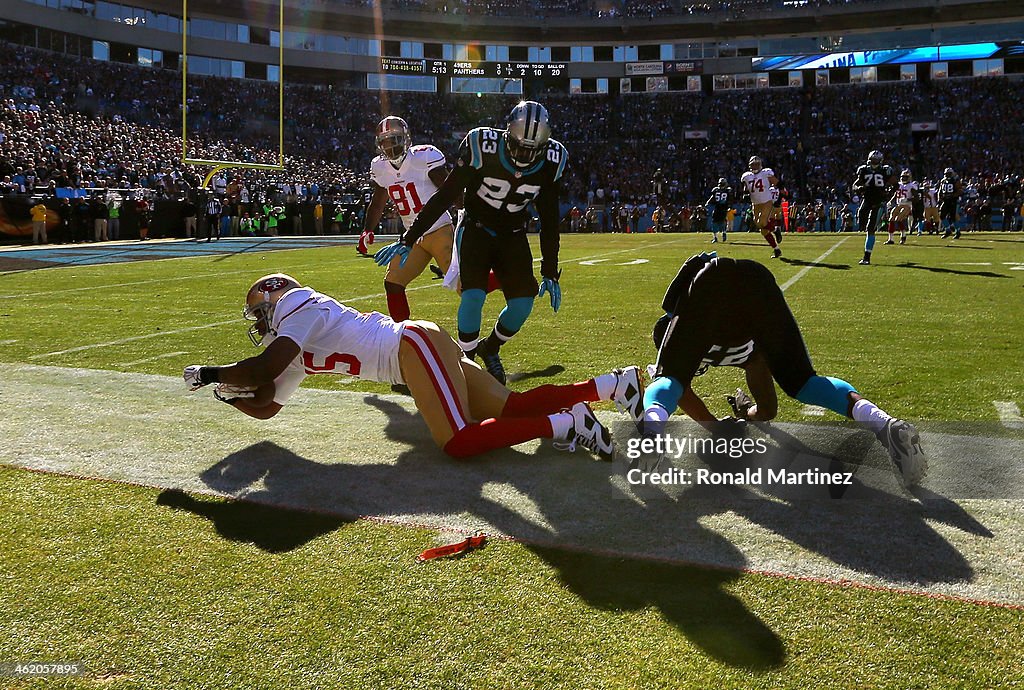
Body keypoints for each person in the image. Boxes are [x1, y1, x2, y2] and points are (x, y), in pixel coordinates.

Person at [183, 274, 646, 460]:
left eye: (258, 309)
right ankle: (609, 386)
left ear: (274, 293)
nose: (260, 320)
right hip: (416, 351)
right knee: (510, 407)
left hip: (409, 345)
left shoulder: (298, 304)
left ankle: (564, 424)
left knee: (458, 441)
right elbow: (265, 402)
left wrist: (212, 372)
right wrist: (227, 393)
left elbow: (263, 368)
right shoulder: (295, 342)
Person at [640, 253, 926, 487]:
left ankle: (651, 435)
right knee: (804, 383)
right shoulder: (746, 349)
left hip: (708, 284)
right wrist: (749, 414)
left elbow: (677, 388)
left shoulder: (680, 332)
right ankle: (885, 425)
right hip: (758, 280)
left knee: (670, 379)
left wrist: (717, 427)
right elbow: (766, 402)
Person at [374, 101, 567, 386]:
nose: (524, 155)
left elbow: (550, 219)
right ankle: (466, 364)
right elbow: (444, 195)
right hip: (476, 227)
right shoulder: (482, 145)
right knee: (472, 295)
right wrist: (409, 237)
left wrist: (550, 269)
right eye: (519, 147)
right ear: (507, 134)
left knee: (522, 305)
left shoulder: (553, 159)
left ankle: (490, 348)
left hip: (513, 234)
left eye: (531, 150)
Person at [360, 116, 456, 322]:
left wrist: (469, 212)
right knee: (393, 282)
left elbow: (450, 191)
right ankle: (402, 332)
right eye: (385, 141)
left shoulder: (424, 157)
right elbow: (378, 201)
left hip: (439, 229)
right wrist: (368, 229)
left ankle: (508, 282)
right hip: (411, 237)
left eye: (394, 139)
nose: (390, 146)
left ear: (406, 139)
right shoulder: (379, 167)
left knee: (463, 285)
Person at [852, 150, 897, 265]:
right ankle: (865, 233)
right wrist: (858, 189)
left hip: (879, 202)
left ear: (880, 160)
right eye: (873, 159)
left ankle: (867, 257)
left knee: (870, 229)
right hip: (867, 199)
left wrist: (888, 192)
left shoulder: (885, 170)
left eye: (876, 160)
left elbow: (895, 185)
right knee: (861, 216)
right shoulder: (863, 170)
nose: (874, 162)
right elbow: (855, 185)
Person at [740, 156, 781, 258]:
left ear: (760, 165)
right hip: (755, 203)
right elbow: (746, 188)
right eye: (752, 164)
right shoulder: (746, 176)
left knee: (763, 222)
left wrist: (781, 196)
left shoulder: (766, 173)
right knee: (761, 228)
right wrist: (745, 193)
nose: (754, 166)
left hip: (766, 201)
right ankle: (776, 248)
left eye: (756, 164)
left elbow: (777, 183)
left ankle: (776, 230)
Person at [885, 169, 918, 245]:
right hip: (899, 204)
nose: (903, 178)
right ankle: (891, 239)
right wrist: (890, 201)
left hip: (907, 205)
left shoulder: (911, 186)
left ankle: (903, 235)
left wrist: (907, 199)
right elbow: (896, 194)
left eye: (905, 177)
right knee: (891, 218)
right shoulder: (899, 184)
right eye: (902, 177)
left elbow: (916, 198)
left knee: (898, 219)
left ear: (909, 177)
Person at [705, 178, 732, 244]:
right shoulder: (727, 190)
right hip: (724, 208)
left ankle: (715, 237)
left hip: (717, 207)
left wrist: (708, 202)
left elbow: (712, 197)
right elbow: (730, 199)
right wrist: (729, 206)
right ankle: (724, 232)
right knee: (723, 221)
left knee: (714, 222)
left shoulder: (716, 190)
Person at [938, 168, 962, 239]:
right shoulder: (943, 181)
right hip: (945, 201)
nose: (947, 175)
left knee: (953, 217)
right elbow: (940, 190)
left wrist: (952, 196)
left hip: (952, 201)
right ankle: (948, 230)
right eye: (946, 174)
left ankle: (958, 231)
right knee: (941, 215)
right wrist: (939, 196)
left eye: (949, 174)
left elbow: (960, 191)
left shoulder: (955, 180)